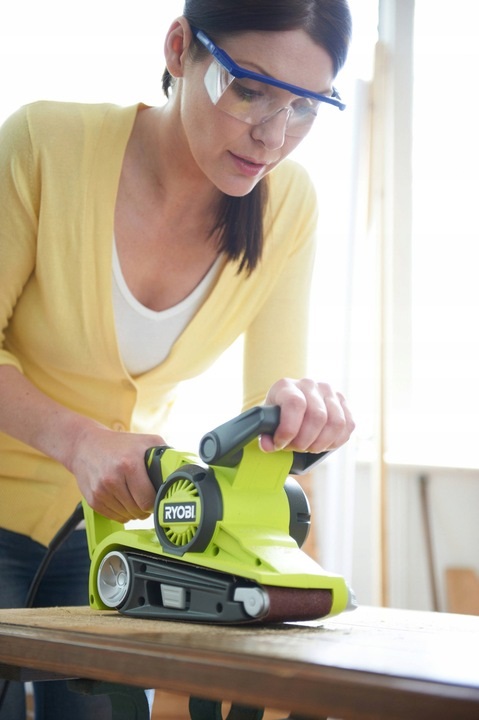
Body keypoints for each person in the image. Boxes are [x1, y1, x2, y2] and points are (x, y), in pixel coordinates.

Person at [0, 0, 354, 717]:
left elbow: (268, 405)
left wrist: (295, 418)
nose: (273, 135)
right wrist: (81, 441)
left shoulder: (287, 204)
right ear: (178, 48)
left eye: (304, 106)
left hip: (109, 529)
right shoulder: (44, 144)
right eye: (248, 89)